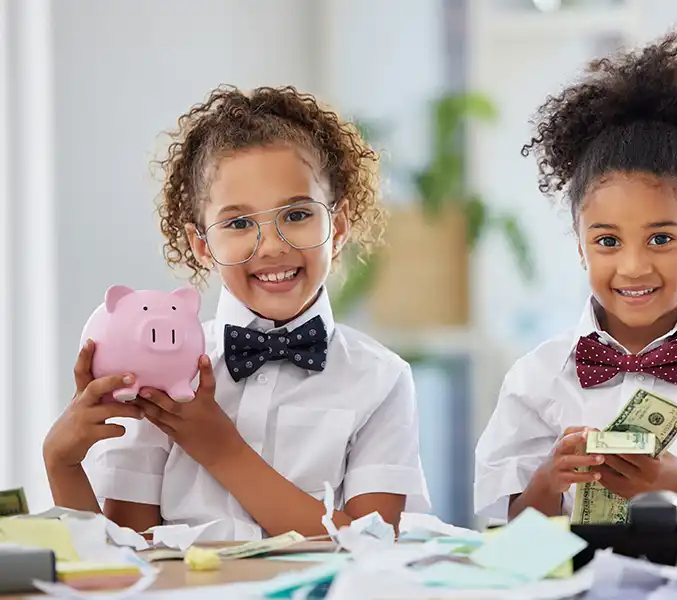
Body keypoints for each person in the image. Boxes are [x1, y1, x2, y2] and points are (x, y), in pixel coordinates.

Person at [43, 85, 429, 539]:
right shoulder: (155, 374)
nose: (271, 245)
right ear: (201, 244)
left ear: (338, 226)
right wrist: (61, 463)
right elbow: (123, 557)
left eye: (298, 214)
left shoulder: (380, 379)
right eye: (239, 223)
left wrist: (221, 449)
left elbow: (376, 547)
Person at [474, 32, 677, 523]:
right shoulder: (534, 378)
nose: (633, 267)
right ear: (580, 245)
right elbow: (504, 527)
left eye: (661, 239)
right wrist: (547, 481)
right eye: (608, 241)